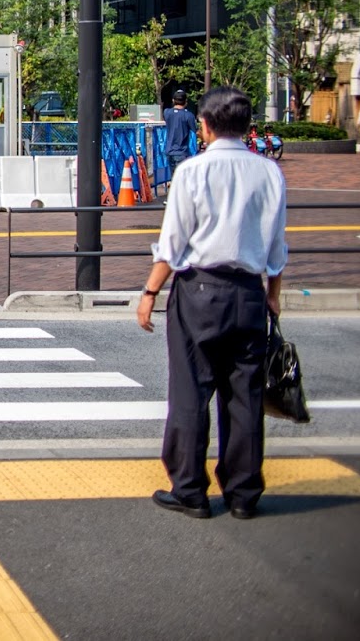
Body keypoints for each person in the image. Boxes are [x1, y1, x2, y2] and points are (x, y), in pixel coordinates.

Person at [137, 86, 286, 522]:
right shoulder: (268, 173)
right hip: (249, 292)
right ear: (247, 125)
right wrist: (273, 295)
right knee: (245, 396)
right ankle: (243, 493)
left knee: (190, 392)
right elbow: (277, 245)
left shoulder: (192, 172)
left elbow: (173, 243)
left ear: (203, 125)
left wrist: (149, 293)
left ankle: (190, 490)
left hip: (199, 290)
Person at [163, 90, 197, 175]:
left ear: (173, 101)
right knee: (183, 181)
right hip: (182, 152)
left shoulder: (167, 112)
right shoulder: (189, 116)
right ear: (186, 101)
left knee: (174, 179)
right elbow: (195, 131)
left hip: (169, 151)